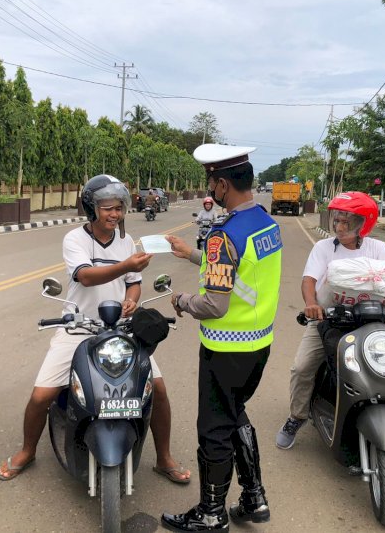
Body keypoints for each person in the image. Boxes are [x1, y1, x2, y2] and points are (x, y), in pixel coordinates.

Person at [0, 174, 191, 485]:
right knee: (41, 395)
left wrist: (131, 299)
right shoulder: (75, 239)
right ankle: (27, 450)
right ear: (91, 209)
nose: (114, 214)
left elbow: (134, 285)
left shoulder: (126, 241)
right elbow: (85, 277)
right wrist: (127, 265)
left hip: (121, 330)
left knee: (158, 390)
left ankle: (164, 458)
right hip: (79, 327)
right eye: (107, 208)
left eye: (119, 208)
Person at [162, 144, 282, 531]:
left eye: (211, 181)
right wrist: (191, 256)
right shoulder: (266, 224)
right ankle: (253, 498)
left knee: (214, 428)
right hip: (258, 345)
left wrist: (181, 300)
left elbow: (215, 305)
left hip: (225, 348)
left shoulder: (222, 236)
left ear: (223, 184)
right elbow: (241, 273)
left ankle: (211, 514)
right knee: (235, 414)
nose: (209, 188)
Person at [275, 191, 385, 450]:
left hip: (371, 321)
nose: (339, 226)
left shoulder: (378, 248)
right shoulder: (323, 248)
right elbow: (309, 280)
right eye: (336, 220)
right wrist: (312, 305)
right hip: (328, 319)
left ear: (363, 224)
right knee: (302, 367)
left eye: (346, 222)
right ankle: (297, 416)